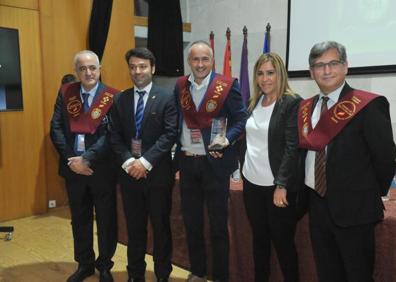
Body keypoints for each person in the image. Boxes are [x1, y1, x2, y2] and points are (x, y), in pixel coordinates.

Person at [298, 41, 396, 282]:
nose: (327, 70)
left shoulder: (368, 105)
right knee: (327, 273)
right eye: (319, 65)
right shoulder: (305, 108)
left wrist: (366, 194)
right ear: (311, 72)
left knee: (357, 275)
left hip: (355, 210)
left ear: (346, 67)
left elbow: (386, 158)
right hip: (317, 205)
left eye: (333, 63)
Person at [173, 40, 248, 282]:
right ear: (189, 62)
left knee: (217, 227)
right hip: (187, 162)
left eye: (205, 59)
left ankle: (221, 276)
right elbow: (177, 120)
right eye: (195, 59)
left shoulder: (226, 86)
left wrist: (227, 140)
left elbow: (241, 119)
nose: (200, 64)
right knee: (192, 223)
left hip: (215, 164)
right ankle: (197, 271)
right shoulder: (180, 86)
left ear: (212, 61)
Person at [109, 47, 177, 282]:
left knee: (161, 229)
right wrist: (130, 161)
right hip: (130, 176)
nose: (137, 71)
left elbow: (170, 134)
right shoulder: (120, 98)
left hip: (157, 176)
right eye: (133, 67)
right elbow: (114, 135)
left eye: (142, 66)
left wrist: (145, 162)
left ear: (153, 69)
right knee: (135, 230)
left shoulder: (168, 96)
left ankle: (162, 275)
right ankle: (135, 274)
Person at [50, 50, 118, 282]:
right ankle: (85, 264)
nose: (88, 72)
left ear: (99, 69)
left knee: (107, 219)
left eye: (92, 68)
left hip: (101, 169)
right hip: (73, 169)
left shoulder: (112, 96)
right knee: (79, 218)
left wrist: (87, 158)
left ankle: (105, 265)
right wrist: (72, 159)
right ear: (76, 71)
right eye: (82, 68)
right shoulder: (66, 93)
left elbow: (112, 136)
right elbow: (56, 128)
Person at [241, 53, 302, 282]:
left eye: (270, 72)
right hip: (251, 183)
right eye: (260, 73)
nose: (265, 78)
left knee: (284, 244)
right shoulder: (254, 102)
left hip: (276, 188)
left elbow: (291, 147)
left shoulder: (291, 102)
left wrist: (282, 184)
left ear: (280, 74)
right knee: (259, 241)